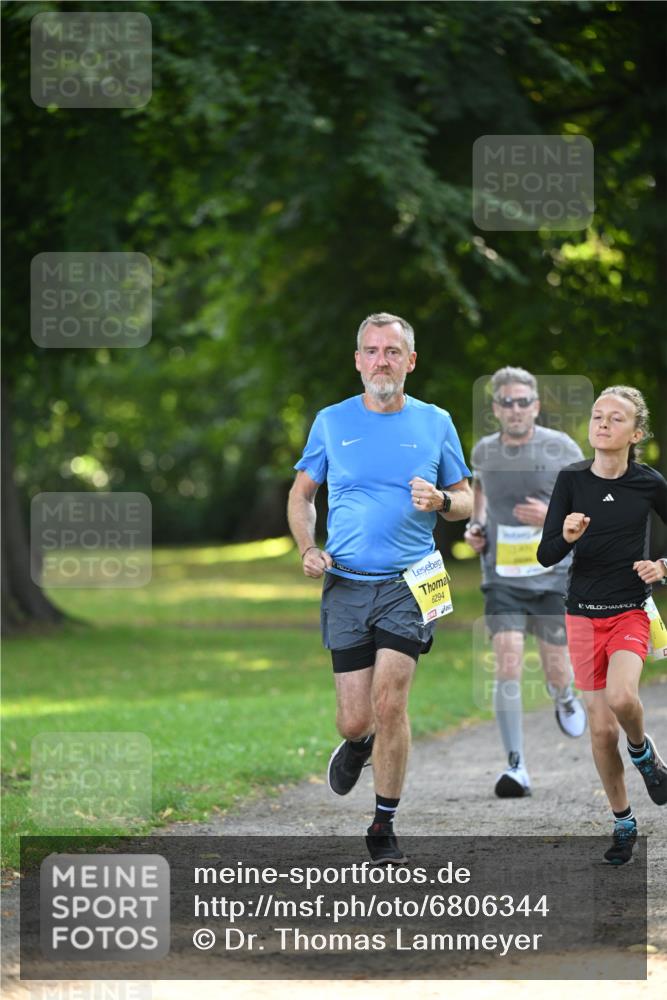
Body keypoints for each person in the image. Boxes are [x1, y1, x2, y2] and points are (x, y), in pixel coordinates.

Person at [287, 312, 472, 863]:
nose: (381, 361)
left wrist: (441, 501)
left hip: (412, 581)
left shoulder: (436, 422)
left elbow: (466, 500)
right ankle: (358, 742)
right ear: (358, 361)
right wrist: (308, 548)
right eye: (371, 351)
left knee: (391, 700)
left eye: (392, 351)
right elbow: (302, 496)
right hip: (345, 582)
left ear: (410, 361)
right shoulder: (330, 420)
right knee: (355, 717)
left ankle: (382, 823)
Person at [537, 385, 667, 864]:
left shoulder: (649, 483)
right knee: (598, 732)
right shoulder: (571, 479)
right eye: (597, 415)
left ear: (636, 433)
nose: (603, 423)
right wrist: (567, 535)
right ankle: (624, 821)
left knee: (622, 699)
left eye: (616, 418)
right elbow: (546, 552)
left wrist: (663, 566)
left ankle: (643, 751)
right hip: (582, 615)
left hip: (631, 610)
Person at [465, 366, 587, 799]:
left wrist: (549, 516)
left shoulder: (561, 448)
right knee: (508, 660)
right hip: (502, 578)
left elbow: (587, 503)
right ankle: (515, 765)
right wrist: (475, 528)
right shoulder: (484, 452)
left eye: (523, 402)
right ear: (496, 408)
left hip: (553, 576)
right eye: (506, 402)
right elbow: (480, 497)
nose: (515, 409)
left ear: (535, 406)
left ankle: (565, 695)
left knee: (556, 667)